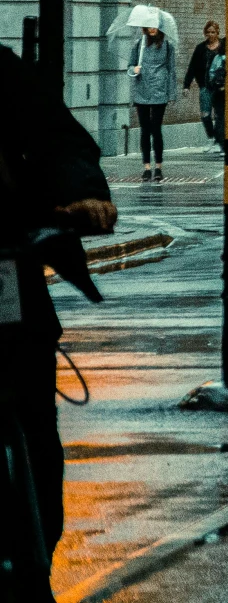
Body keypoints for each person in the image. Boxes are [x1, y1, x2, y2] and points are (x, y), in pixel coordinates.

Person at [0, 42, 115, 589]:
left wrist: (83, 196)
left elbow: (58, 140)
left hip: (1, 265)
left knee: (31, 415)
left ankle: (36, 551)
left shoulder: (0, 73)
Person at [129, 21, 177, 182]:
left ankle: (158, 167)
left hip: (159, 91)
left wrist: (171, 94)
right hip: (141, 90)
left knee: (156, 129)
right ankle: (146, 168)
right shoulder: (139, 44)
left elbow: (171, 70)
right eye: (149, 26)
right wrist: (133, 69)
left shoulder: (167, 46)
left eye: (155, 26)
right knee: (144, 129)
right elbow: (130, 66)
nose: (152, 29)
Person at [182, 21, 226, 148]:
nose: (211, 35)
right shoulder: (200, 48)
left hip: (220, 87)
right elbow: (192, 67)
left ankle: (219, 142)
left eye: (213, 32)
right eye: (208, 32)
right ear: (205, 33)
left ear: (218, 32)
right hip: (205, 86)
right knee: (205, 114)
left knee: (219, 115)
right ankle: (211, 137)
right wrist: (186, 85)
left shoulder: (224, 46)